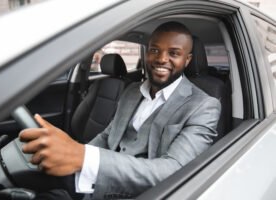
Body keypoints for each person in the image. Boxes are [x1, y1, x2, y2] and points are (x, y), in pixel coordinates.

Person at [19, 21, 221, 199]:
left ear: (187, 60)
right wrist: (73, 158)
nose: (161, 59)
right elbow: (108, 135)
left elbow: (173, 171)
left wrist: (82, 156)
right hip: (95, 180)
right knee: (25, 180)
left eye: (174, 53)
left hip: (142, 192)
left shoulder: (203, 106)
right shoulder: (132, 91)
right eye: (154, 50)